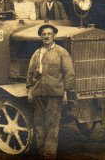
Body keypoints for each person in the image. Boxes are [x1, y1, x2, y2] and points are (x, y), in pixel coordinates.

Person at [26, 24, 75, 159]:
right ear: (40, 36)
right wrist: (30, 90)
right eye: (43, 34)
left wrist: (65, 92)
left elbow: (69, 73)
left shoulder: (61, 52)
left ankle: (49, 155)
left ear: (54, 36)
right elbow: (30, 73)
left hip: (54, 94)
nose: (46, 36)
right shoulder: (37, 53)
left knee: (52, 125)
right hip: (38, 93)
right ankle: (41, 152)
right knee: (39, 124)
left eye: (49, 34)